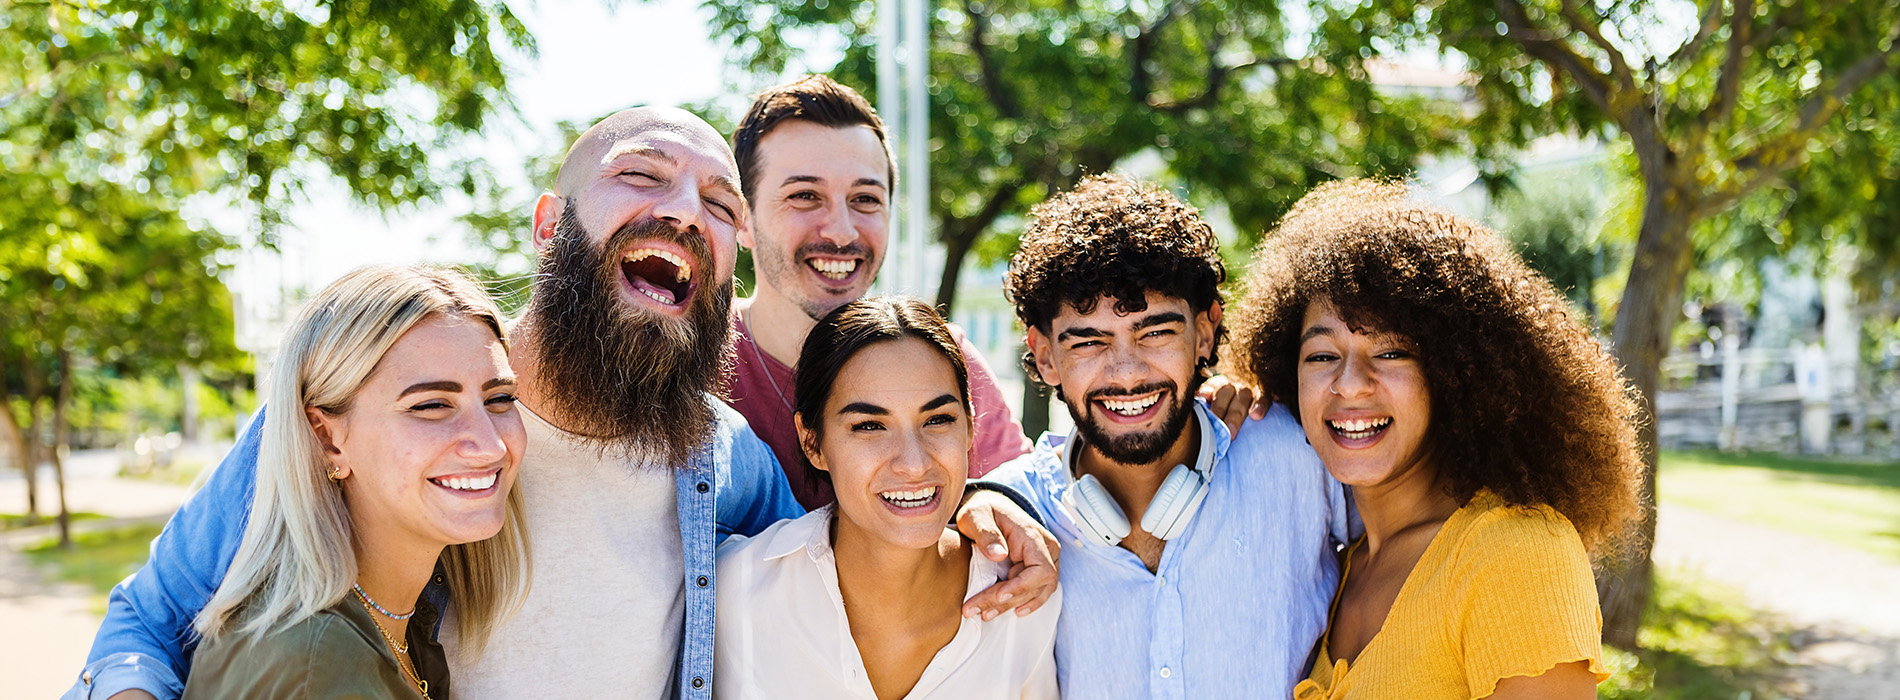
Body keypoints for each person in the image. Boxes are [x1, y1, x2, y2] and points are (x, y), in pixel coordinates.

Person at [69, 106, 1056, 700]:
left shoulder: (727, 458)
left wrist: (991, 504)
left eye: (720, 203)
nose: (685, 208)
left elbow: (858, 547)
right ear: (551, 227)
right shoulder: (379, 414)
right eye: (640, 175)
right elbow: (146, 622)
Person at [1224, 180, 1645, 699]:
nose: (1350, 383)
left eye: (1392, 352)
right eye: (1321, 356)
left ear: (1454, 373)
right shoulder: (1345, 565)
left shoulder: (1516, 552)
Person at [981, 174, 1351, 699]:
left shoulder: (1300, 453)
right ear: (1045, 357)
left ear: (1204, 333)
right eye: (1088, 341)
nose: (1127, 373)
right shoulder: (1009, 515)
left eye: (1155, 333)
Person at [182, 265, 529, 699]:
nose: (491, 446)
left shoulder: (403, 622)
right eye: (432, 405)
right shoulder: (315, 664)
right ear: (327, 438)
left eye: (499, 399)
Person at [714, 296, 1058, 700]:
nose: (913, 464)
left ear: (969, 427)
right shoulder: (733, 592)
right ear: (813, 443)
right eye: (869, 426)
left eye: (938, 419)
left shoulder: (1026, 598)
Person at [727, 75, 1031, 509]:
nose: (841, 231)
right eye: (805, 196)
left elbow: (1020, 494)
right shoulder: (690, 360)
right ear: (742, 218)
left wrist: (984, 503)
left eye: (866, 199)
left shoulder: (942, 357)